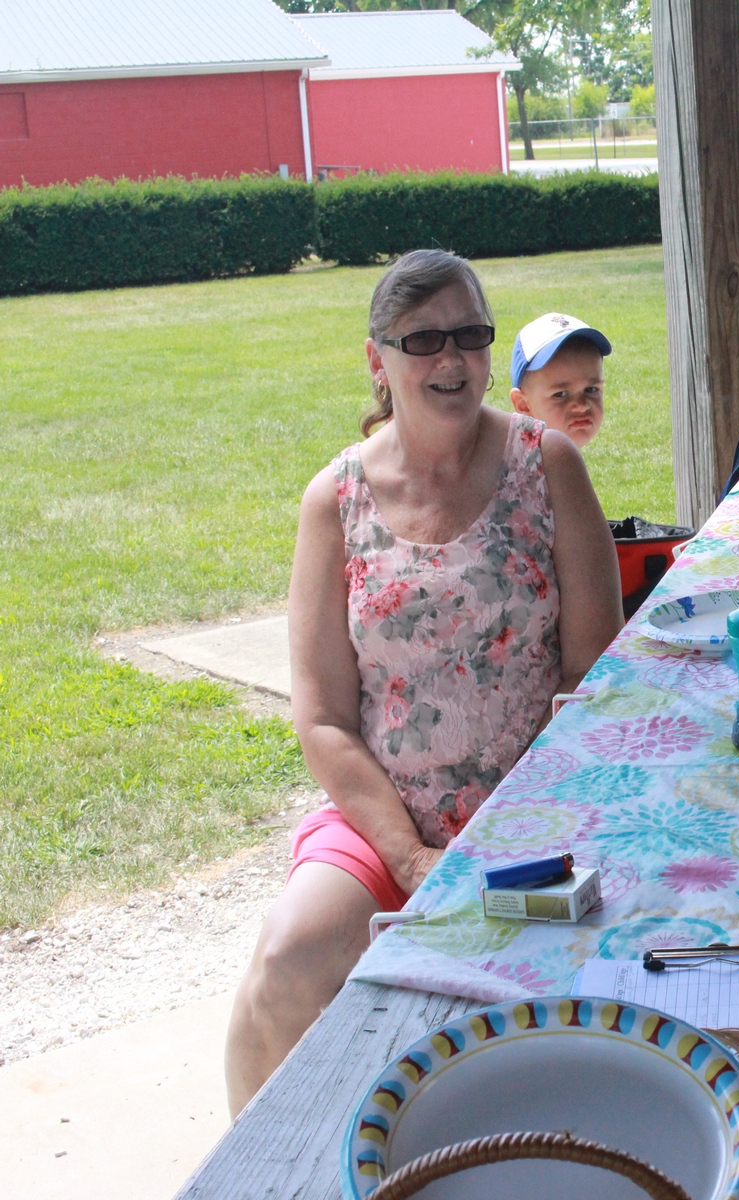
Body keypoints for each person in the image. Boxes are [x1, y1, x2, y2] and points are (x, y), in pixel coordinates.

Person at [224, 251, 623, 1114]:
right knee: (283, 964)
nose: (452, 358)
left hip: (535, 814)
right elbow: (324, 720)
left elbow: (593, 678)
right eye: (424, 340)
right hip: (383, 820)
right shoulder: (335, 500)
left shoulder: (547, 464)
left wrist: (513, 829)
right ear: (378, 359)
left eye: (470, 335)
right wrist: (410, 856)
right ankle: (270, 1168)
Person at [508, 312, 611, 448]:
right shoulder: (517, 462)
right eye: (560, 394)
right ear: (524, 405)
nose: (581, 406)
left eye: (591, 390)